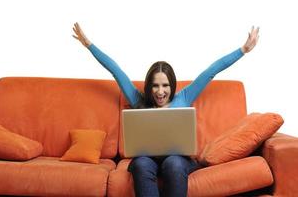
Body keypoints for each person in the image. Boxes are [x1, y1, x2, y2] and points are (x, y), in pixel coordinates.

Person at [72, 22, 259, 197]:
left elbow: (211, 71)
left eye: (165, 86)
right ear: (148, 87)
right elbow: (116, 71)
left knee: (174, 163)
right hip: (148, 159)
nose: (160, 92)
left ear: (172, 85)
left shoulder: (184, 97)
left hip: (177, 160)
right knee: (141, 164)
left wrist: (243, 50)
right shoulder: (138, 100)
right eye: (155, 86)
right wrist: (89, 45)